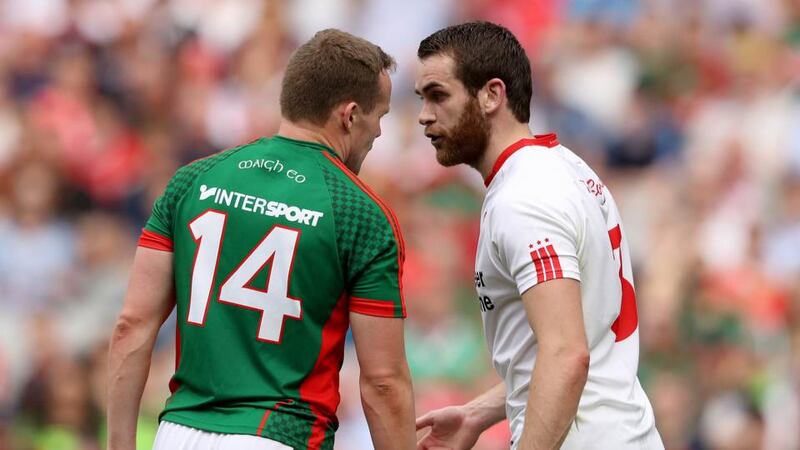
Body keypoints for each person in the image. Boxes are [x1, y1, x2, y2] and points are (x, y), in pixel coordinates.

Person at [107, 29, 415, 450]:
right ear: (350, 115)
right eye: (379, 116)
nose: (379, 132)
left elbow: (131, 326)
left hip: (177, 433)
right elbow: (383, 382)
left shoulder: (192, 180)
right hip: (282, 434)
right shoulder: (361, 213)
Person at [413, 21, 664, 450]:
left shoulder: (523, 197)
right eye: (422, 98)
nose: (424, 114)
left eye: (438, 95)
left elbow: (567, 355)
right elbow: (575, 344)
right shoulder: (565, 167)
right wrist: (478, 413)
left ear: (492, 95)